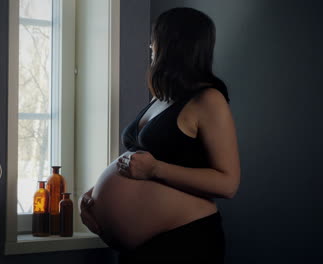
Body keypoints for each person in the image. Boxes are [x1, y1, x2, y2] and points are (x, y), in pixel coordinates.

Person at [79, 7, 240, 264]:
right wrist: (90, 196)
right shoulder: (161, 98)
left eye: (155, 38)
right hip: (138, 250)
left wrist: (156, 170)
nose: (150, 45)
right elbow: (135, 162)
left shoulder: (209, 100)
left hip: (184, 242)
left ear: (172, 43)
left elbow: (228, 183)